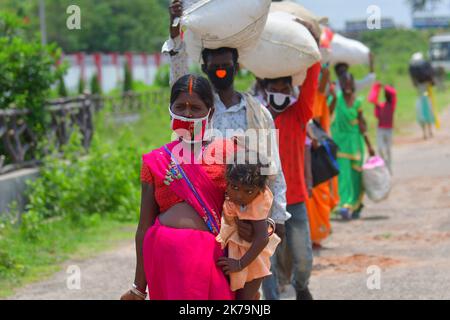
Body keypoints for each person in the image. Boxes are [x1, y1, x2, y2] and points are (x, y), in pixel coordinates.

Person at [165, 0, 290, 254]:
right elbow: (178, 79)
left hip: (251, 212)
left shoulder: (257, 112)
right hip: (206, 210)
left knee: (254, 282)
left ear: (236, 67)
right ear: (204, 68)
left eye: (226, 66)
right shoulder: (198, 111)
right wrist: (175, 29)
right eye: (215, 67)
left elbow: (272, 166)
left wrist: (277, 219)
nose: (221, 71)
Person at [120, 74, 237, 300]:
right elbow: (143, 227)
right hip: (166, 259)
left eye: (196, 107)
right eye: (180, 106)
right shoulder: (155, 161)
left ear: (210, 112)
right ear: (170, 109)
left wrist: (249, 276)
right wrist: (138, 287)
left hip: (211, 259)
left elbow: (246, 213)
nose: (188, 113)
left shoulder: (229, 154)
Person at [259, 62, 321, 300]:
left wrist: (314, 53)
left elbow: (311, 86)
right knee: (267, 261)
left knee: (304, 257)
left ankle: (300, 285)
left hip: (295, 200)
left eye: (285, 89)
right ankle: (272, 299)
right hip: (264, 203)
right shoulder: (258, 117)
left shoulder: (299, 114)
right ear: (266, 90)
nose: (281, 94)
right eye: (275, 88)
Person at [216, 155, 281, 300]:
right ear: (227, 180)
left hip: (253, 261)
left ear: (260, 190)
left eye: (248, 191)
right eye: (235, 187)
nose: (239, 195)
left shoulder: (257, 203)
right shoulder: (229, 192)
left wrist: (240, 264)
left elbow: (262, 238)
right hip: (237, 253)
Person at [330, 72, 374, 221]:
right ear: (340, 84)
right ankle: (345, 205)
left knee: (356, 177)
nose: (347, 86)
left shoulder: (358, 102)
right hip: (341, 145)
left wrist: (369, 145)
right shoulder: (336, 100)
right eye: (344, 83)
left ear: (353, 84)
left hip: (356, 145)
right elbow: (328, 113)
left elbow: (362, 124)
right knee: (344, 176)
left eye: (349, 83)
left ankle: (356, 204)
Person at [368, 82, 397, 173]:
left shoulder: (392, 105)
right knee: (380, 149)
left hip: (389, 130)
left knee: (388, 149)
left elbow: (394, 93)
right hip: (380, 129)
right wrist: (376, 87)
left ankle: (389, 166)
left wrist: (385, 86)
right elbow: (372, 99)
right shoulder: (381, 106)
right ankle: (384, 166)